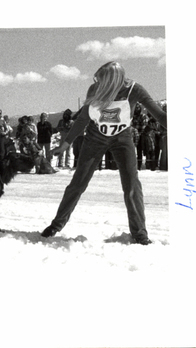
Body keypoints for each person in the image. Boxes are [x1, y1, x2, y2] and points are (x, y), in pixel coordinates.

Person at [44, 61, 167, 245]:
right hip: (95, 138)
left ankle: (140, 233)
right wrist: (65, 143)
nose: (97, 84)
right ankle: (56, 225)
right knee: (78, 183)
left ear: (112, 82)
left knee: (132, 185)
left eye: (101, 81)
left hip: (122, 137)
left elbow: (160, 116)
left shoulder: (134, 90)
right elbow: (84, 118)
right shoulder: (94, 90)